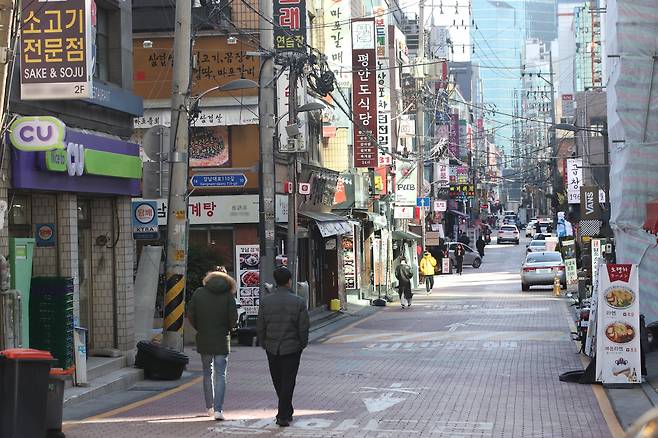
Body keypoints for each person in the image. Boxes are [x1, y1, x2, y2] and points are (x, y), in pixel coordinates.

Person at [257, 267, 310, 427]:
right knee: (289, 380)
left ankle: (285, 411)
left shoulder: (266, 301)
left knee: (277, 379)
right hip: (292, 347)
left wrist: (263, 342)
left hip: (272, 347)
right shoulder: (298, 302)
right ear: (289, 281)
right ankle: (283, 414)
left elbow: (261, 325)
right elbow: (303, 327)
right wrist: (302, 343)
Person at [187, 270, 238, 421]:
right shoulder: (228, 296)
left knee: (207, 373)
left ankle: (209, 407)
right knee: (221, 374)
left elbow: (191, 315)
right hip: (222, 339)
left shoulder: (198, 293)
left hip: (204, 338)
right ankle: (218, 409)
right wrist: (228, 329)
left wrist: (200, 328)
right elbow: (233, 319)